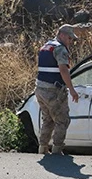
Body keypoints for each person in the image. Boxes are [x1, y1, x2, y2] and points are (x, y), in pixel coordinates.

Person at [34, 24, 80, 155]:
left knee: (47, 119)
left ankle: (42, 148)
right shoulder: (60, 49)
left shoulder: (46, 46)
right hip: (54, 91)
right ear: (62, 35)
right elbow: (63, 70)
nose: (71, 42)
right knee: (62, 120)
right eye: (70, 38)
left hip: (40, 89)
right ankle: (57, 150)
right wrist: (71, 89)